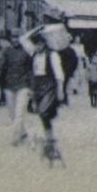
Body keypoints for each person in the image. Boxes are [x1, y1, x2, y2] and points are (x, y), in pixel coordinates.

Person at [28, 32, 65, 162]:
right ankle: (49, 136)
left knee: (44, 111)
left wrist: (60, 90)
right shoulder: (34, 56)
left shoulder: (52, 55)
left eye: (40, 44)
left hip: (49, 85)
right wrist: (31, 90)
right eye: (36, 45)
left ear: (44, 44)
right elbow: (32, 73)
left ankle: (49, 136)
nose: (38, 47)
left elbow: (59, 74)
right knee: (40, 112)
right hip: (37, 85)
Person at [0, 30, 33, 146]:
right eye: (13, 37)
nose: (15, 39)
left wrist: (32, 86)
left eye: (17, 37)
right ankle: (23, 133)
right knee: (12, 113)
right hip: (9, 86)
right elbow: (1, 68)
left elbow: (31, 70)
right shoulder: (6, 52)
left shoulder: (26, 52)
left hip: (23, 85)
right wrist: (0, 83)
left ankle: (14, 138)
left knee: (19, 113)